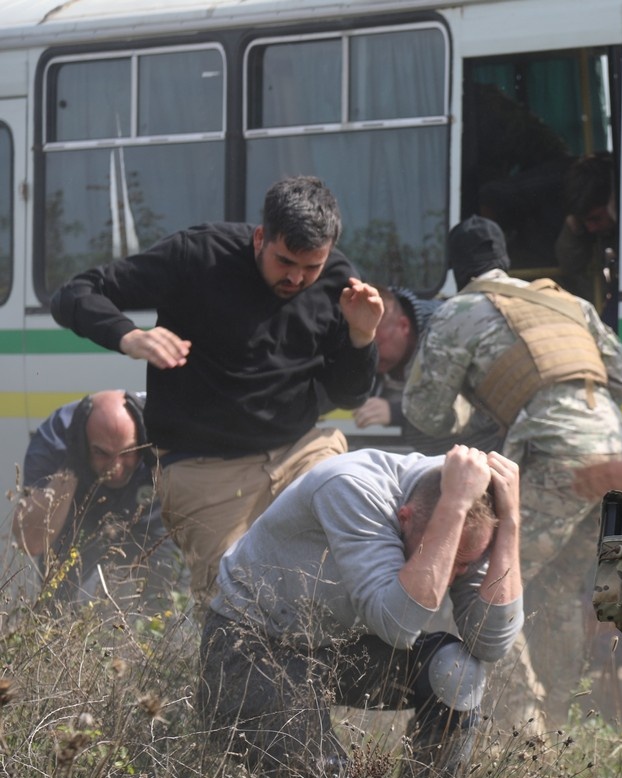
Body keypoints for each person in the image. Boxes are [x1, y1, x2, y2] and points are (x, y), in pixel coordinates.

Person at [50, 176, 383, 612]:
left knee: (356, 569)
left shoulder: (339, 281)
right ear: (260, 237)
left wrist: (362, 336)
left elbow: (349, 393)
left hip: (303, 452)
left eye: (311, 267)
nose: (298, 278)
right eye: (285, 262)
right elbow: (73, 294)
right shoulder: (197, 256)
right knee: (238, 608)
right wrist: (128, 336)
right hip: (207, 471)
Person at [404, 215, 622, 729]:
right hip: (616, 460)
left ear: (455, 269)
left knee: (486, 589)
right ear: (506, 261)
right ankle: (560, 719)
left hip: (555, 461)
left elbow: (424, 413)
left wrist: (479, 419)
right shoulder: (567, 301)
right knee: (554, 590)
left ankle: (524, 733)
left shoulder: (459, 310)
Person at [199, 445, 522, 778]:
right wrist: (451, 511)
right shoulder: (351, 487)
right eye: (448, 561)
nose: (451, 577)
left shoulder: (473, 508)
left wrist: (511, 522)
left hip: (339, 650)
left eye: (461, 565)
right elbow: (398, 626)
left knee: (457, 673)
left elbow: (491, 641)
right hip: (252, 647)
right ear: (405, 518)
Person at [11, 390, 179, 608]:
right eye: (102, 453)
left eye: (128, 452)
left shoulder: (162, 427)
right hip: (76, 530)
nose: (115, 469)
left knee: (163, 601)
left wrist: (159, 463)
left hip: (150, 524)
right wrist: (71, 466)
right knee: (61, 604)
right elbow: (30, 542)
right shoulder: (57, 439)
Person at [352, 287, 503, 455]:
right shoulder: (373, 348)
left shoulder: (445, 331)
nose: (372, 356)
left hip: (491, 452)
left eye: (377, 346)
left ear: (404, 326)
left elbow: (481, 409)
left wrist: (398, 412)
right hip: (445, 460)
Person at [554, 152, 618, 326]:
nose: (591, 228)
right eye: (584, 221)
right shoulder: (583, 230)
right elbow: (570, 264)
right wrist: (573, 229)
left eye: (595, 218)